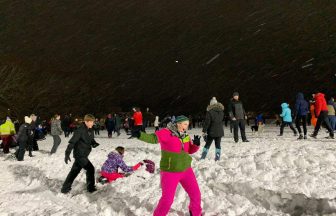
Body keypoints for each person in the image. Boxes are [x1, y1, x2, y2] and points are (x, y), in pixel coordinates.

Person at [133, 115, 202, 216]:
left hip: (186, 170)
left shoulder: (185, 135)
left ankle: (196, 213)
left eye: (187, 124)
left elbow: (189, 150)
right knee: (167, 200)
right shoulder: (166, 132)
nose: (187, 126)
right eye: (185, 124)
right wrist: (140, 135)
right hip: (170, 171)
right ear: (178, 124)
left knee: (196, 195)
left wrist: (196, 145)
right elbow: (153, 138)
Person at [61, 114, 100, 194]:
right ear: (86, 121)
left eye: (93, 122)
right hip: (80, 154)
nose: (93, 123)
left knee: (74, 171)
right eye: (91, 122)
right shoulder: (80, 130)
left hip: (84, 153)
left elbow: (90, 138)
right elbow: (72, 142)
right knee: (90, 168)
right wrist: (67, 153)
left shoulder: (90, 129)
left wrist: (94, 143)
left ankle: (65, 188)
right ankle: (91, 188)